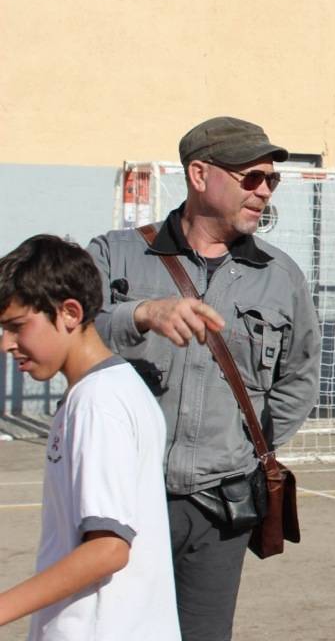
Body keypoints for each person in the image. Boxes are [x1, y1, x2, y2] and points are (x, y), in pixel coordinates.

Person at [87, 117, 321, 641]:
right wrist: (140, 315)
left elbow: (299, 378)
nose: (264, 190)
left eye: (272, 179)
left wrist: (240, 448)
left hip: (220, 507)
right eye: (251, 177)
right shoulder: (114, 254)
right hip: (121, 499)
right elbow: (66, 329)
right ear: (199, 174)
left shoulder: (280, 276)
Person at [0, 235, 180, 640]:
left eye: (16, 326)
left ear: (69, 312)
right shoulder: (107, 389)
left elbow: (108, 549)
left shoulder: (99, 403)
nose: (7, 344)